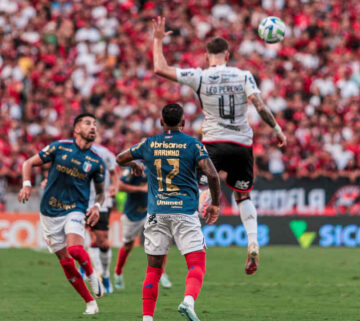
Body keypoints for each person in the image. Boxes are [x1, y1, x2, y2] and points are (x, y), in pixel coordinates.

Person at [152, 16, 287, 275]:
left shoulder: (199, 76)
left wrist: (158, 40)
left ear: (206, 56)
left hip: (213, 143)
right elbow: (260, 106)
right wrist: (277, 130)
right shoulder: (244, 75)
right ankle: (253, 242)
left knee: (195, 186)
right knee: (243, 196)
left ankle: (194, 224)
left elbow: (160, 69)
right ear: (228, 54)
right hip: (242, 144)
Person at [116, 103, 221, 321]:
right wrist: (216, 203)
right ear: (183, 122)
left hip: (156, 213)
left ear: (161, 122)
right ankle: (188, 301)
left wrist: (134, 165)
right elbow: (212, 174)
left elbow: (120, 158)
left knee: (153, 269)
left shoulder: (149, 143)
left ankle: (147, 319)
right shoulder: (193, 144)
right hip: (184, 212)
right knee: (196, 264)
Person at [17, 113, 106, 315]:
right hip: (49, 212)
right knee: (66, 263)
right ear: (76, 129)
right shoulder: (60, 147)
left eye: (95, 124)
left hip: (75, 209)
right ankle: (90, 303)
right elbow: (28, 163)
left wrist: (97, 207)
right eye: (87, 123)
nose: (93, 127)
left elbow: (101, 193)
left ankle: (92, 275)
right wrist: (26, 184)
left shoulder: (96, 161)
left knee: (75, 250)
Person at [113, 166, 172, 290]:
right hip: (133, 213)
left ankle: (162, 273)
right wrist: (141, 188)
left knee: (162, 242)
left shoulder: (160, 166)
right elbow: (120, 186)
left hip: (152, 211)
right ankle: (118, 273)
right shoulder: (135, 168)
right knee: (128, 245)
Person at [87, 141, 119, 293]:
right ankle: (97, 273)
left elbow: (114, 172)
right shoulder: (72, 152)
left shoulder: (104, 153)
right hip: (81, 199)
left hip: (102, 199)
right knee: (90, 238)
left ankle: (105, 274)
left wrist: (115, 185)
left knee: (103, 241)